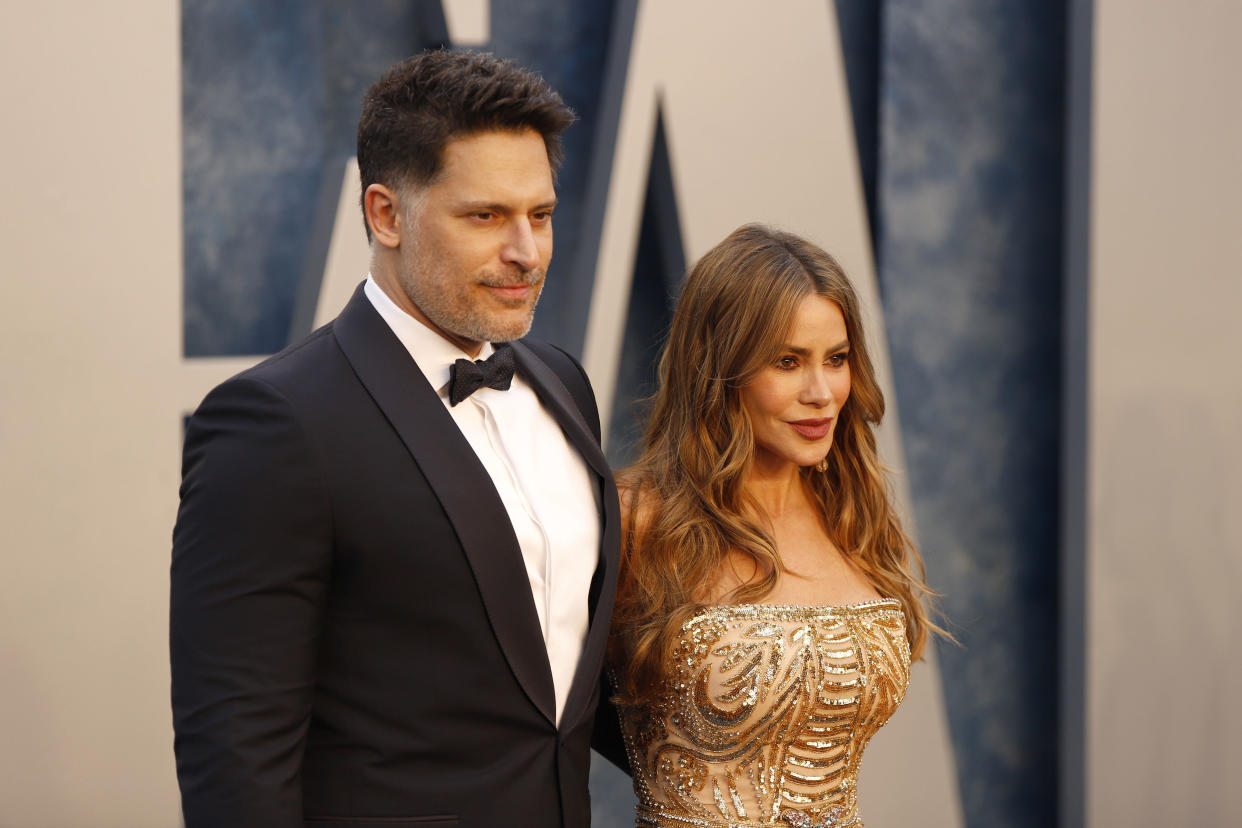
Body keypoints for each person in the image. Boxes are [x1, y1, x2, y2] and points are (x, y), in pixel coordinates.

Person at [171, 50, 621, 828]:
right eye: (485, 216)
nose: (527, 252)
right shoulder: (275, 423)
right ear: (385, 214)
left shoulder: (561, 384)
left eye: (540, 215)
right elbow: (235, 757)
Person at [607, 224, 944, 828]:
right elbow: (545, 712)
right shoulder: (636, 518)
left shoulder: (851, 511)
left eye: (836, 360)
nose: (822, 393)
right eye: (787, 362)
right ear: (719, 368)